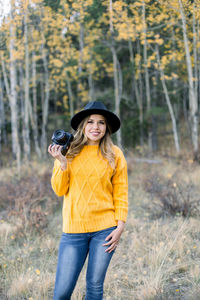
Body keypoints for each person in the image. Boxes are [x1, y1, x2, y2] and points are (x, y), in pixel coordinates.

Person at [48, 101, 128, 300]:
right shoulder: (68, 151)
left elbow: (121, 191)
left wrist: (120, 226)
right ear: (83, 125)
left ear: (106, 127)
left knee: (94, 287)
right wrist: (62, 163)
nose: (96, 127)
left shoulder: (115, 154)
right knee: (62, 292)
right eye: (90, 122)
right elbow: (59, 190)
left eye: (101, 123)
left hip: (105, 230)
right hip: (74, 231)